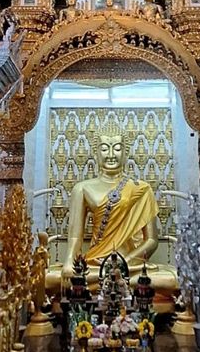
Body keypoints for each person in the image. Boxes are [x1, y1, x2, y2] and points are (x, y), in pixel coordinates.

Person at [58, 120, 176, 294]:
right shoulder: (82, 188)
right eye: (105, 149)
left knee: (173, 279)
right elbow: (75, 237)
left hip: (131, 265)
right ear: (96, 153)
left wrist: (125, 262)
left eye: (117, 148)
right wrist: (69, 263)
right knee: (54, 278)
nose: (111, 154)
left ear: (126, 152)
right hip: (95, 265)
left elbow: (151, 241)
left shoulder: (141, 188)